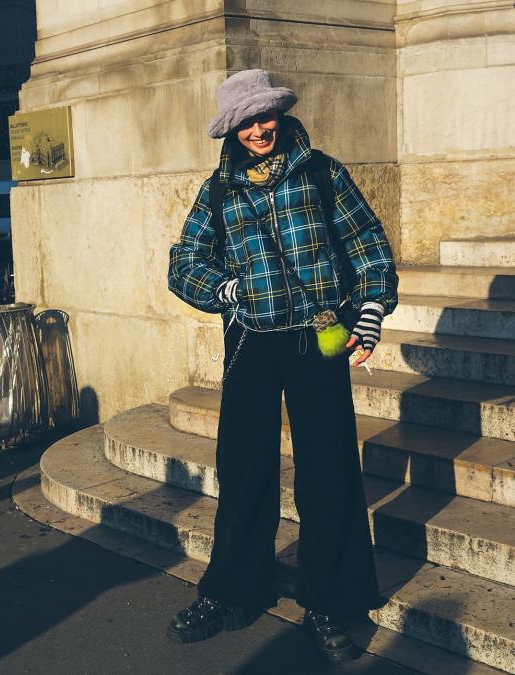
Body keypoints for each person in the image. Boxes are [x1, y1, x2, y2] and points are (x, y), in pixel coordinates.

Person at [166, 70, 398, 662]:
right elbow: (183, 263)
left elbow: (367, 243)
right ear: (232, 128)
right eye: (246, 122)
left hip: (318, 335)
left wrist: (368, 313)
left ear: (279, 115)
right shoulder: (218, 191)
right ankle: (231, 591)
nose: (258, 130)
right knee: (243, 469)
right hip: (250, 344)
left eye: (264, 117)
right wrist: (227, 290)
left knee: (329, 470)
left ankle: (329, 600)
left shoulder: (322, 172)